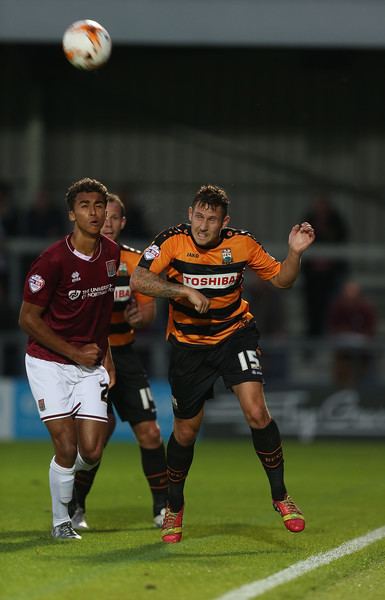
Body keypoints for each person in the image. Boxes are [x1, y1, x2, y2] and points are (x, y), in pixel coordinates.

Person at [130, 183, 315, 543]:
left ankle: (281, 496)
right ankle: (174, 507)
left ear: (224, 222)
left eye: (211, 220)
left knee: (257, 411)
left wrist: (294, 254)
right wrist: (182, 290)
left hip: (235, 336)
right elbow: (140, 277)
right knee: (186, 432)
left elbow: (281, 279)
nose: (203, 226)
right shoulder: (171, 242)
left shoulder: (241, 244)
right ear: (189, 215)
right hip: (188, 346)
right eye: (198, 217)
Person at [19, 178, 120, 540]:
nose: (93, 213)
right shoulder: (52, 260)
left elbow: (102, 313)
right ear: (71, 214)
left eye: (99, 205)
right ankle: (61, 521)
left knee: (91, 451)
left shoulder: (111, 253)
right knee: (66, 446)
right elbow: (27, 319)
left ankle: (62, 474)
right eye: (84, 206)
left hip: (90, 363)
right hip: (48, 363)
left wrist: (107, 357)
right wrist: (75, 351)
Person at [70, 193, 168, 530]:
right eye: (102, 215)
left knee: (151, 433)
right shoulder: (77, 259)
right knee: (94, 443)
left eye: (114, 217)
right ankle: (75, 507)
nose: (107, 222)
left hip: (124, 358)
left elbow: (148, 315)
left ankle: (161, 509)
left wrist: (136, 317)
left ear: (123, 222)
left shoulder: (136, 263)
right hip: (88, 360)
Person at [301, 193, 349, 337]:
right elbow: (301, 241)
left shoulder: (336, 221)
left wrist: (329, 261)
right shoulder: (309, 219)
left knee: (331, 307)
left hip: (331, 274)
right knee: (312, 308)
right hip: (312, 275)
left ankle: (328, 335)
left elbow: (342, 241)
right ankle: (312, 337)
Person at [327, 280, 377, 387]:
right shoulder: (338, 306)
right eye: (348, 291)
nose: (350, 294)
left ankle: (364, 385)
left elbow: (371, 328)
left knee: (364, 359)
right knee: (343, 360)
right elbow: (333, 326)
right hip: (343, 345)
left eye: (353, 291)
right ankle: (341, 385)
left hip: (362, 346)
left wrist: (362, 335)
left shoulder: (366, 307)